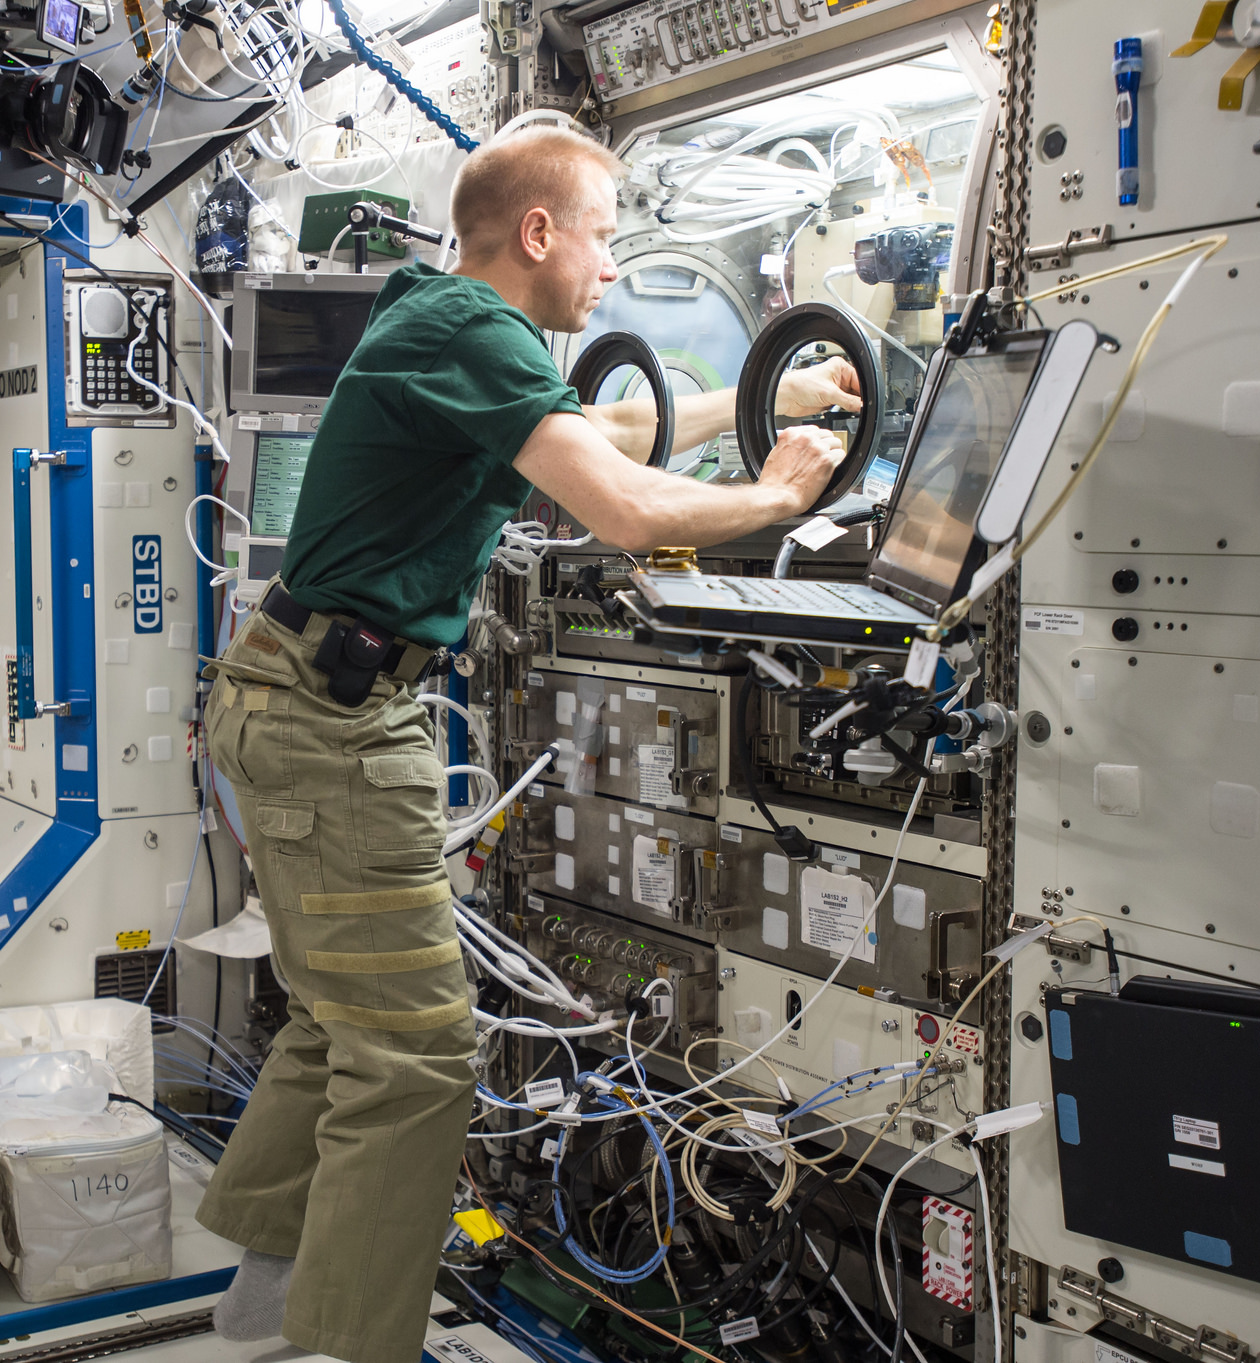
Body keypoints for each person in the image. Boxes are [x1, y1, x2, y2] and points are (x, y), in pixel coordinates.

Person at [194, 126, 856, 1363]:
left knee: (340, 1017)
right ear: (538, 232)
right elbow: (623, 505)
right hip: (336, 727)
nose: (611, 265)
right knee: (419, 1056)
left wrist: (781, 403)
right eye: (603, 233)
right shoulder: (470, 333)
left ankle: (265, 1298)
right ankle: (343, 1343)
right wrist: (776, 495)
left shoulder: (449, 325)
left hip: (302, 700)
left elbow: (609, 436)